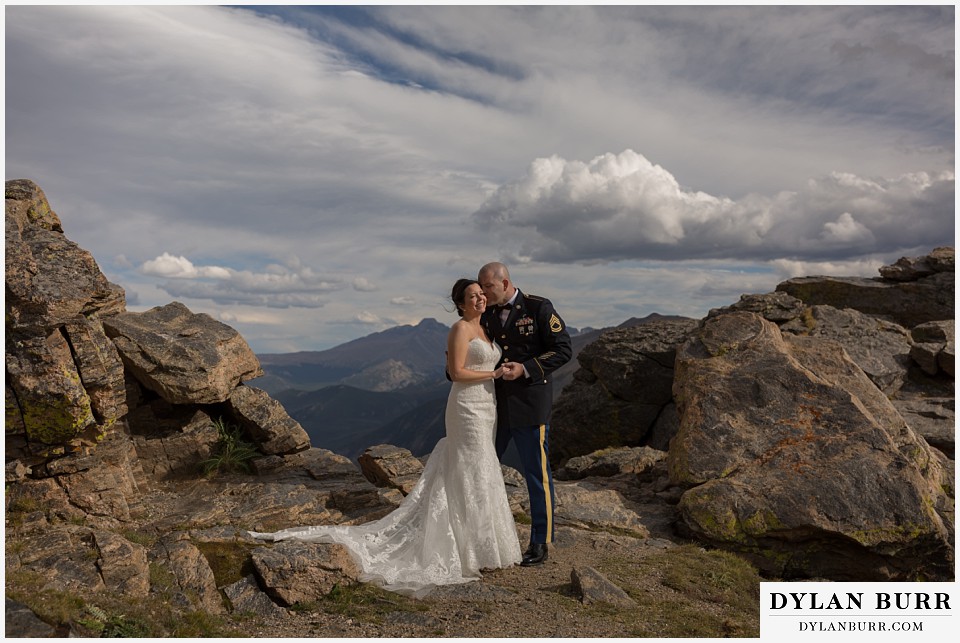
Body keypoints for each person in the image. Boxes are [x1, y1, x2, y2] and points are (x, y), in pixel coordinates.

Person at [249, 279, 521, 596]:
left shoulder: (487, 327)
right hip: (466, 407)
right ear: (460, 303)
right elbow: (457, 373)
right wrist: (494, 374)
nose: (480, 298)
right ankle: (465, 547)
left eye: (481, 294)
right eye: (473, 296)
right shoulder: (460, 329)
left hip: (488, 406)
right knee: (468, 468)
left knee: (482, 468)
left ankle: (484, 545)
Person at [477, 262, 572, 567]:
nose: (482, 292)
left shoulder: (538, 307)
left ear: (504, 283)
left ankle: (541, 542)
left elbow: (563, 349)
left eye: (487, 286)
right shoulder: (487, 312)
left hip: (530, 404)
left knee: (536, 476)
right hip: (493, 405)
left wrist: (525, 368)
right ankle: (479, 538)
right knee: (482, 468)